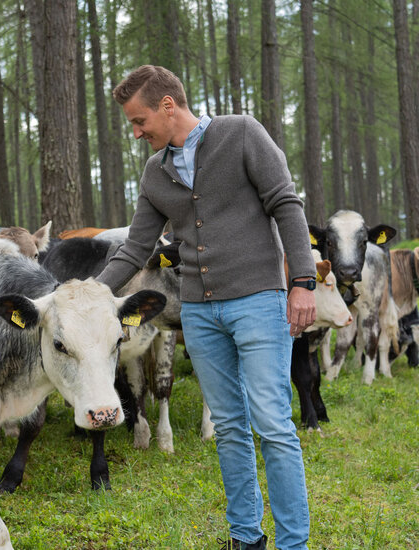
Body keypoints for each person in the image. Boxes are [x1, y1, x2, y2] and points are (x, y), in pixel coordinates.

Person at [95, 65, 315, 550]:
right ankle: (245, 538)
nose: (136, 132)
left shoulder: (240, 134)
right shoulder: (156, 173)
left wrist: (302, 281)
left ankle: (293, 544)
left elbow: (286, 204)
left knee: (274, 425)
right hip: (199, 312)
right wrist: (91, 293)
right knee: (230, 427)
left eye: (139, 120)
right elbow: (134, 250)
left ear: (167, 105)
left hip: (259, 300)